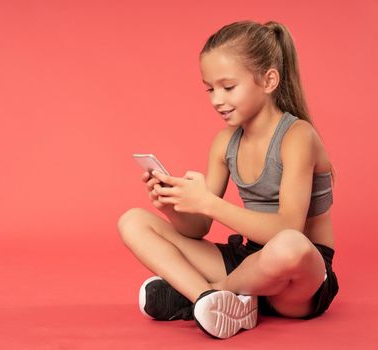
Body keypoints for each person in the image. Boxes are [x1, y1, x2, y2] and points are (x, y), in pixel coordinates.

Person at [117, 20, 339, 339]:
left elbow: (288, 229)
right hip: (248, 264)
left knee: (290, 246)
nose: (216, 99)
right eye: (209, 88)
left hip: (298, 281)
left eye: (228, 87)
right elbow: (199, 228)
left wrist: (209, 202)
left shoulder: (298, 136)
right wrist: (174, 206)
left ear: (269, 80)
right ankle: (213, 300)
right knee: (133, 221)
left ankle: (205, 295)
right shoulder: (225, 143)